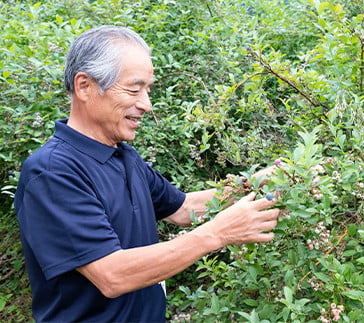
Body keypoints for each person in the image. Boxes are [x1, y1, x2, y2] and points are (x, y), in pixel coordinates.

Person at [14, 25, 280, 323]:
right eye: (134, 88)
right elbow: (112, 275)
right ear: (85, 86)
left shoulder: (123, 155)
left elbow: (183, 209)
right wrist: (218, 233)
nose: (146, 104)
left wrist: (261, 180)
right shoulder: (52, 172)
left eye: (148, 90)